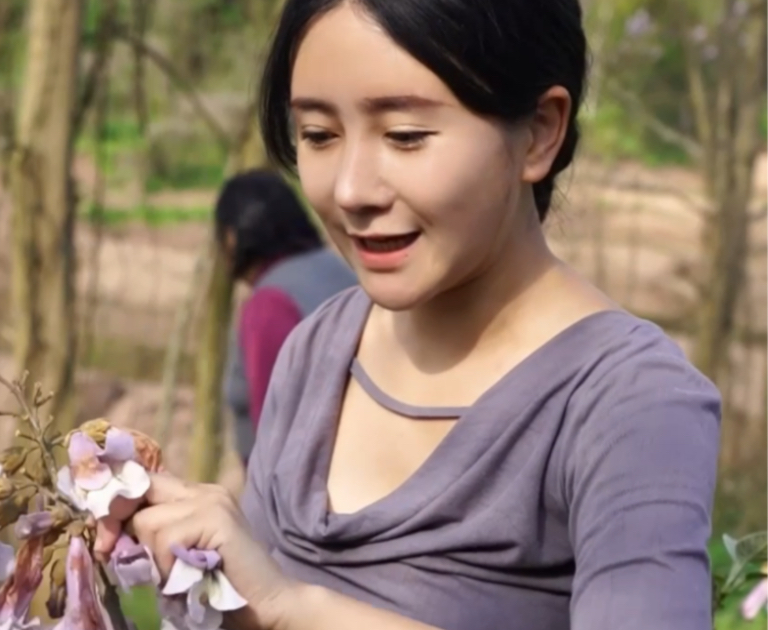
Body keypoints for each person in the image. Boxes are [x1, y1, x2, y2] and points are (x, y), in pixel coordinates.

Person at [130, 1, 722, 629]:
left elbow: (285, 606)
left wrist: (290, 608)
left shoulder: (626, 403)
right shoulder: (316, 351)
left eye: (405, 135)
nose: (353, 189)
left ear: (539, 132)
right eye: (320, 135)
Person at [215, 169, 357, 467]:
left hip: (301, 497)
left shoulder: (270, 305)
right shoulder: (342, 271)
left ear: (231, 238)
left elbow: (275, 430)